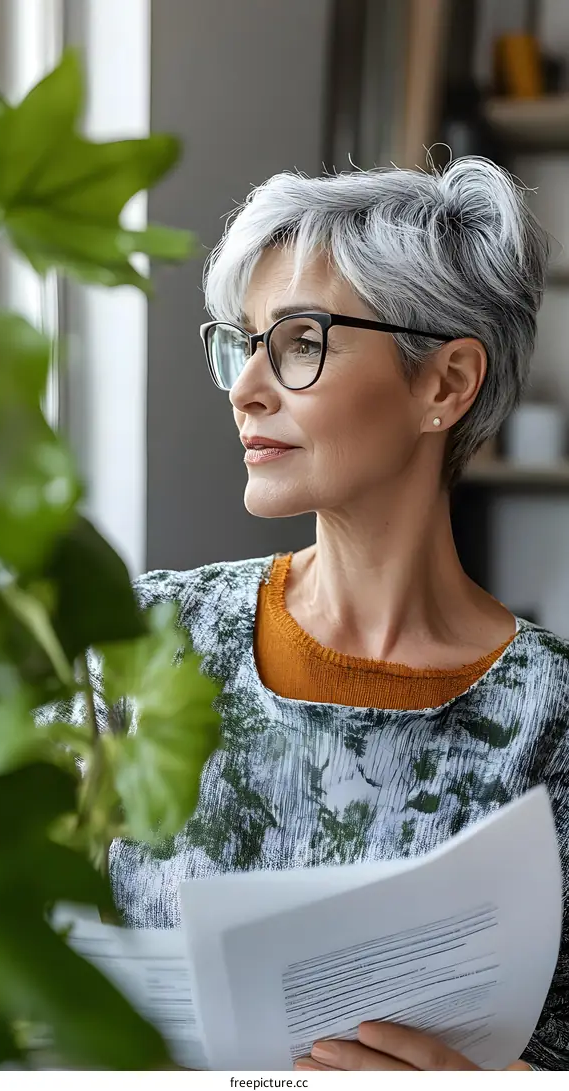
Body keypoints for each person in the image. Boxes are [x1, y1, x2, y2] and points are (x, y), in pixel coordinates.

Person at [112, 157, 568, 1070]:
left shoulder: (553, 718)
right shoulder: (140, 644)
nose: (247, 388)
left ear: (445, 384)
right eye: (242, 343)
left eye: (300, 341)